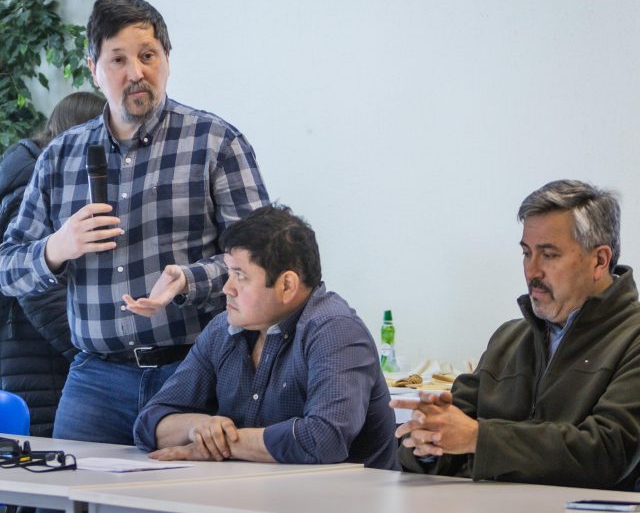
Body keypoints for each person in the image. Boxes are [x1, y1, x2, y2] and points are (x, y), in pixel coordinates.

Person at [0, 0, 270, 454]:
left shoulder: (216, 143)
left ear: (167, 60)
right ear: (94, 69)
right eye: (118, 60)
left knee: (192, 497)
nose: (136, 72)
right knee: (69, 494)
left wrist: (188, 280)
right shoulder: (60, 156)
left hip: (195, 371)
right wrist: (58, 247)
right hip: (95, 380)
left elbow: (261, 260)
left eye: (148, 56)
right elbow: (6, 270)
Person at [393, 179, 640, 490]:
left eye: (549, 255)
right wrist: (428, 440)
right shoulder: (508, 340)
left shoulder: (632, 339)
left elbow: (608, 452)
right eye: (526, 253)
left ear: (599, 261)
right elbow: (451, 442)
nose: (532, 271)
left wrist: (479, 439)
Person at [134, 205, 398, 469]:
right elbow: (148, 424)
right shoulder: (221, 330)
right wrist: (197, 428)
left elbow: (324, 438)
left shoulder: (335, 329)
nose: (227, 288)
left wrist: (222, 443)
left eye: (240, 276)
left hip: (344, 494)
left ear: (287, 285)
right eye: (229, 273)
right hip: (255, 490)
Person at [0, 91, 105, 436]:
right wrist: (95, 350)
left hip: (34, 358)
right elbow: (35, 292)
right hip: (34, 364)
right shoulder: (30, 189)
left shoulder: (35, 179)